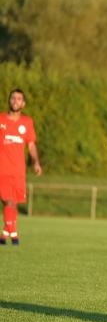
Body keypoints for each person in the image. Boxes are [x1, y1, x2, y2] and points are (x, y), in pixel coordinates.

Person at [0, 89, 42, 245]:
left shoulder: (27, 122)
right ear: (9, 101)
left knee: (14, 204)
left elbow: (31, 145)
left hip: (19, 172)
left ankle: (4, 235)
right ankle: (15, 235)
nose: (15, 101)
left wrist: (36, 162)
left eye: (19, 99)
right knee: (8, 202)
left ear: (23, 103)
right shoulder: (1, 119)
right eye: (13, 98)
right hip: (2, 170)